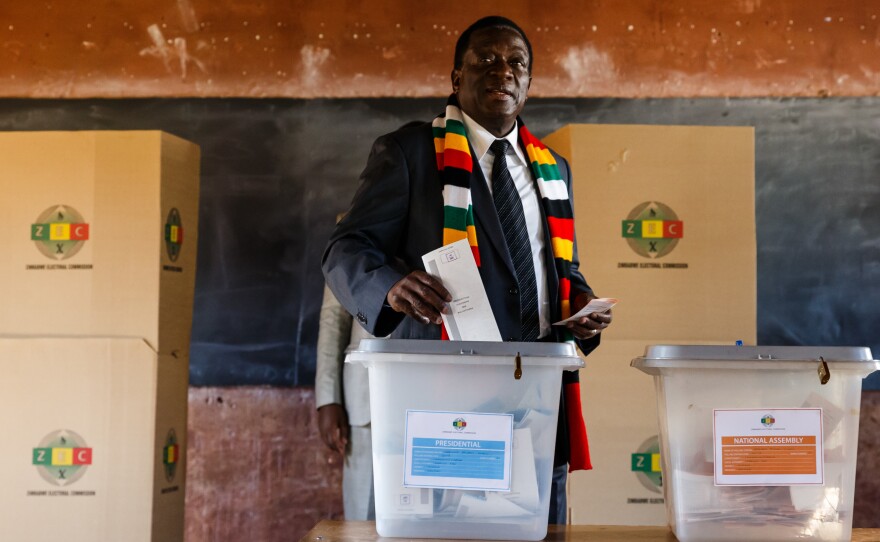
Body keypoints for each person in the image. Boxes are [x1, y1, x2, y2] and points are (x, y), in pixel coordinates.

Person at [322, 15, 612, 524]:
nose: (503, 71)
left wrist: (581, 304)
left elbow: (562, 269)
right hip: (444, 400)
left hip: (536, 398)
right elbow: (345, 250)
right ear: (457, 78)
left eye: (516, 63)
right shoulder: (411, 152)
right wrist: (390, 286)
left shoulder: (552, 168)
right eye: (486, 60)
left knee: (537, 529)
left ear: (528, 83)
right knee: (446, 533)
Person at [314, 283, 375, 520]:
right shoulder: (352, 245)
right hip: (366, 396)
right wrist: (328, 399)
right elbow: (333, 316)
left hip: (440, 393)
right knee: (363, 519)